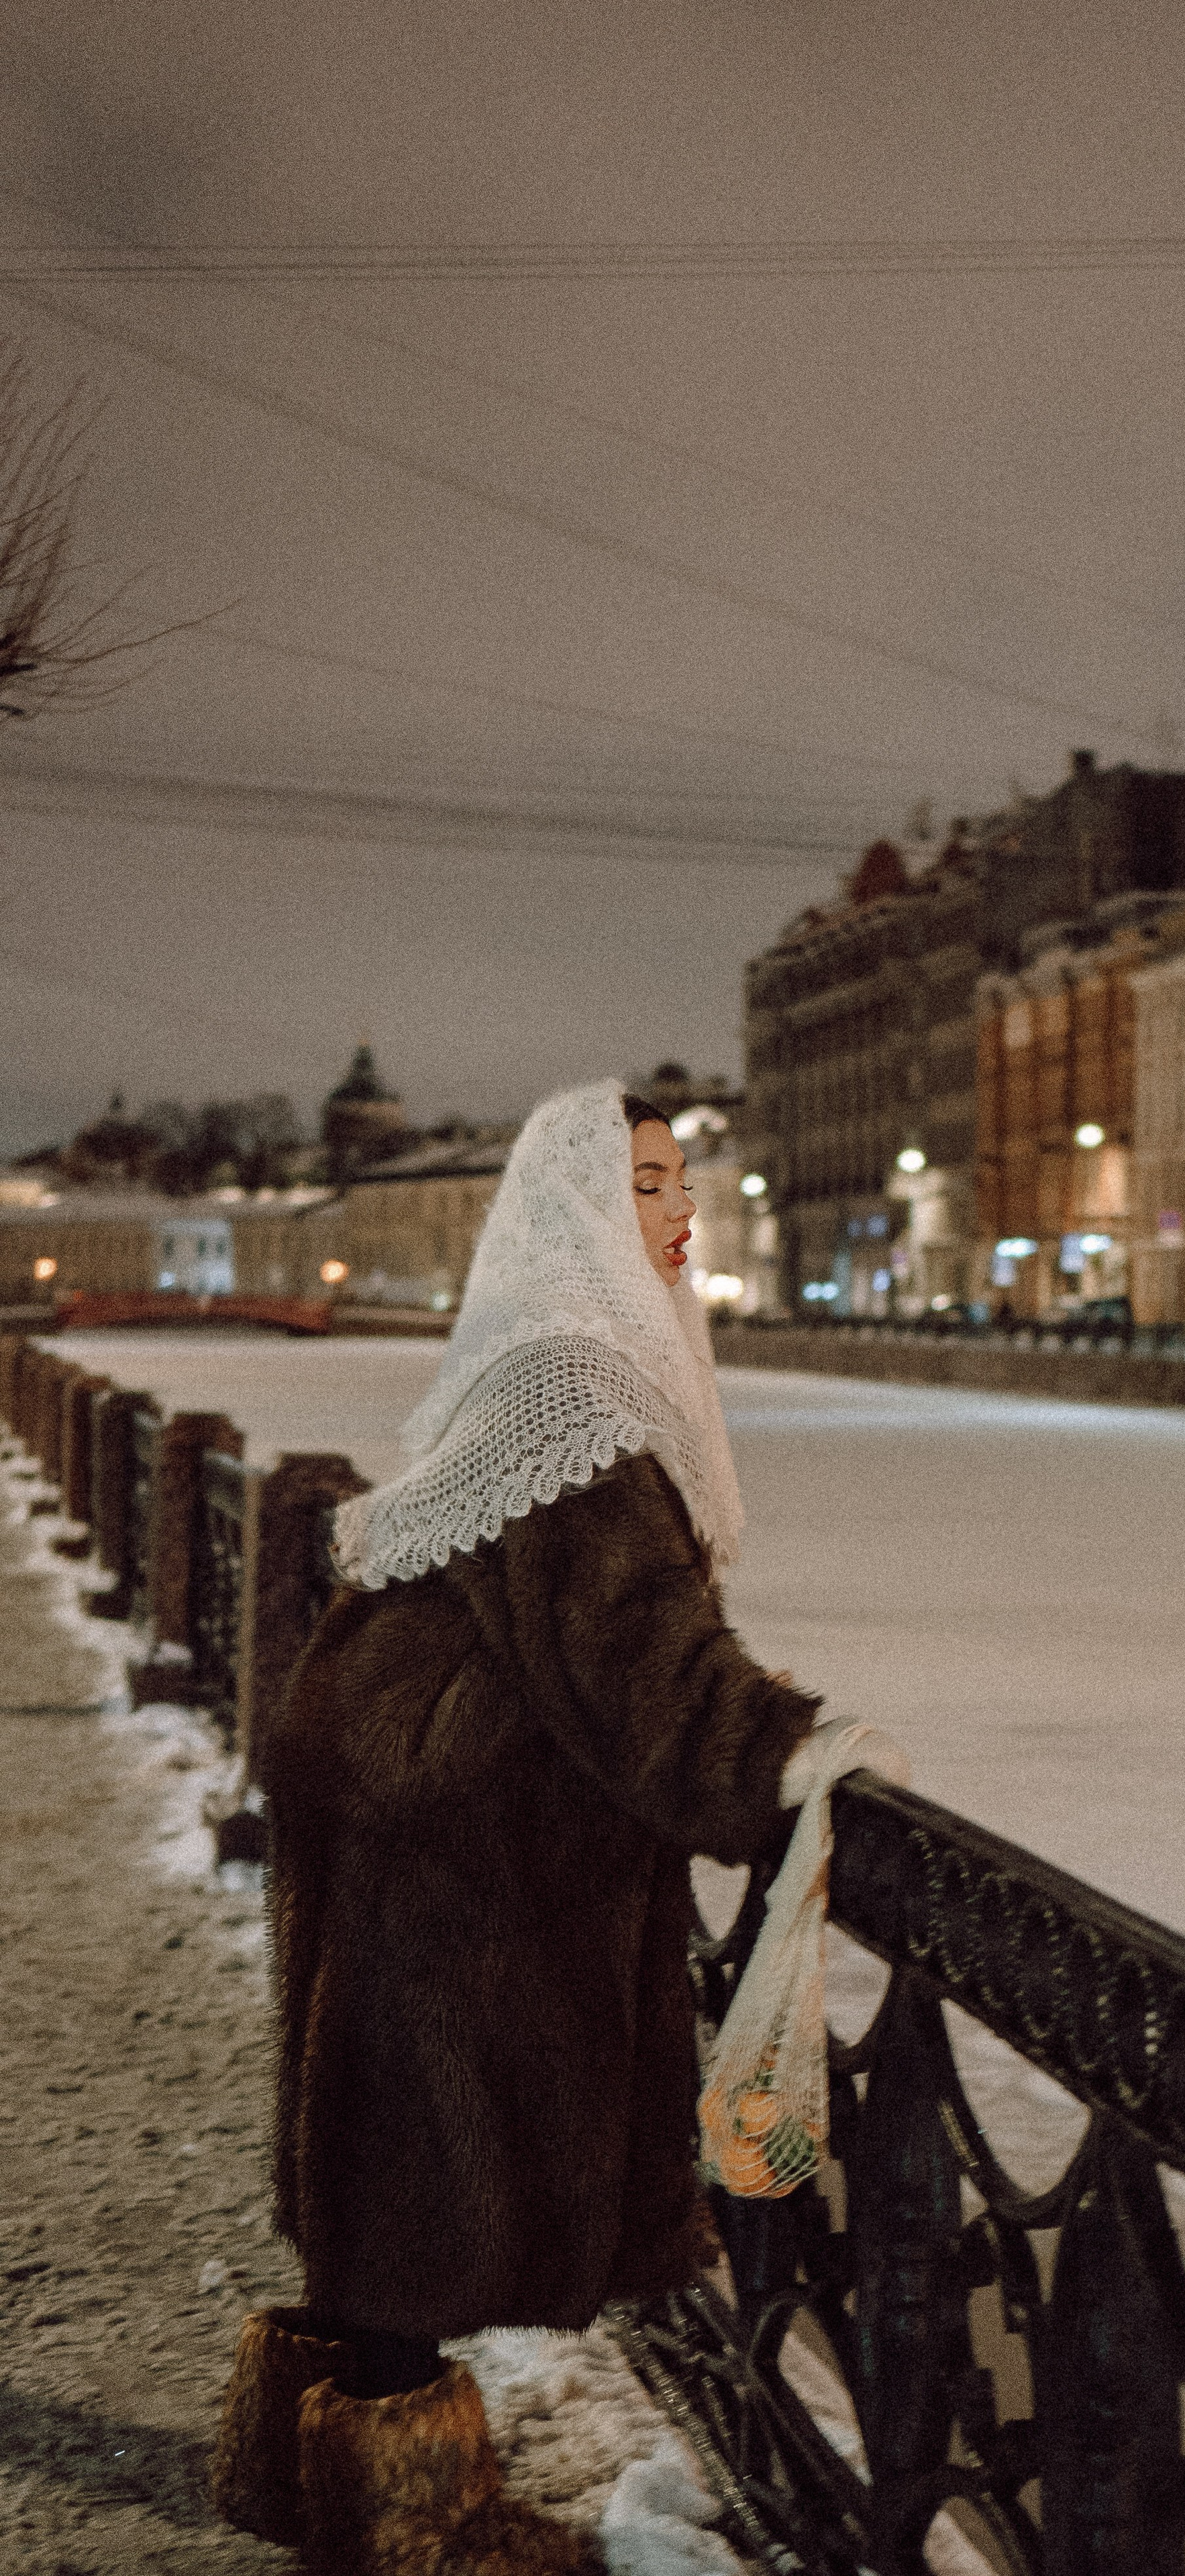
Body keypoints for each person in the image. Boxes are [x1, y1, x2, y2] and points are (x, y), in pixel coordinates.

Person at [212, 1079, 819, 2574]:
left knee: (387, 2146)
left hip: (409, 1788)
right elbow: (629, 1647)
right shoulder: (580, 1390)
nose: (681, 1214)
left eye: (685, 1185)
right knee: (431, 2147)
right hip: (457, 1830)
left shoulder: (543, 1363)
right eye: (651, 1187)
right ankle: (407, 2516)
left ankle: (302, 2451)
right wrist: (779, 1749)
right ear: (574, 1213)